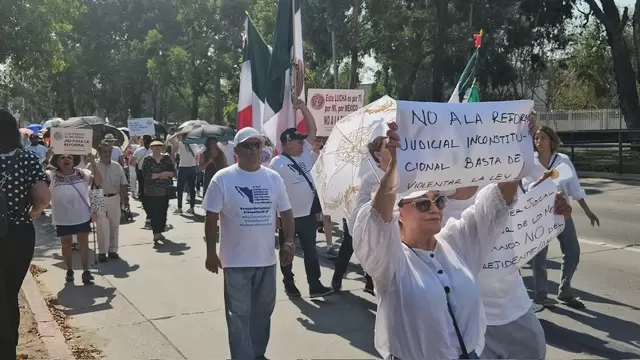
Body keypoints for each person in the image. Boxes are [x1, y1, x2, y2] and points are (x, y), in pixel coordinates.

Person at [353, 121, 521, 360]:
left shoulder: (455, 241)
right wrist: (395, 168)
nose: (434, 208)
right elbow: (377, 222)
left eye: (438, 201)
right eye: (422, 204)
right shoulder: (391, 261)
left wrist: (516, 141)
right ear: (399, 214)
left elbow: (495, 205)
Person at [203, 127, 295, 359]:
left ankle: (257, 353)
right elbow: (211, 216)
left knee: (263, 313)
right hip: (235, 262)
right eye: (248, 145)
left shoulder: (273, 178)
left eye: (258, 145)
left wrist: (289, 243)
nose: (254, 150)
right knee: (238, 315)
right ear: (237, 151)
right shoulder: (223, 178)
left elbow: (286, 213)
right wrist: (210, 253)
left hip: (266, 260)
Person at [444, 184, 555, 360]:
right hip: (468, 326)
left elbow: (526, 223)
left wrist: (551, 209)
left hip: (517, 312)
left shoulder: (502, 183)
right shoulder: (423, 200)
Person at [524, 125, 600, 309]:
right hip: (540, 216)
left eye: (543, 138)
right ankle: (541, 295)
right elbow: (527, 189)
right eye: (536, 138)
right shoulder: (530, 163)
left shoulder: (563, 160)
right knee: (539, 258)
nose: (539, 142)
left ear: (551, 140)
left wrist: (588, 211)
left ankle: (565, 291)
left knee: (572, 252)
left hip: (561, 212)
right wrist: (543, 179)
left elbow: (574, 188)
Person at [269, 99, 333, 298]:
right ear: (287, 142)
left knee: (311, 252)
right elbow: (272, 194)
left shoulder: (305, 152)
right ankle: (289, 283)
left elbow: (313, 128)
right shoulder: (276, 163)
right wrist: (275, 217)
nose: (302, 143)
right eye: (298, 141)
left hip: (307, 216)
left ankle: (314, 285)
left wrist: (303, 108)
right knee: (287, 251)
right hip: (288, 218)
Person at [0, 110, 51, 359]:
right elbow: (43, 198)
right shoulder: (27, 160)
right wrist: (32, 214)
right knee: (10, 293)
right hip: (17, 235)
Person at [331, 136, 389, 295]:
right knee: (348, 248)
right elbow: (362, 203)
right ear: (378, 154)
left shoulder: (396, 171)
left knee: (374, 253)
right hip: (360, 221)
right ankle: (337, 276)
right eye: (388, 146)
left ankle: (370, 283)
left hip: (383, 224)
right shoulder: (371, 175)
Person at [47, 152, 101, 285]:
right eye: (62, 157)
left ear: (74, 161)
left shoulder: (83, 173)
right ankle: (69, 270)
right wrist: (46, 159)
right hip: (62, 217)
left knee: (83, 243)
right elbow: (38, 178)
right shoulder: (52, 175)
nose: (66, 159)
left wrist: (93, 162)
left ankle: (86, 271)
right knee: (66, 243)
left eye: (69, 157)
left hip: (82, 215)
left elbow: (99, 183)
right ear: (57, 162)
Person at [93, 141, 129, 262]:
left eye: (108, 152)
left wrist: (126, 200)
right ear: (99, 152)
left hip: (115, 196)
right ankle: (102, 252)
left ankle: (113, 250)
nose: (106, 154)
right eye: (103, 151)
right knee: (101, 226)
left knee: (115, 224)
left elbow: (123, 183)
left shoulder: (117, 166)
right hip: (97, 196)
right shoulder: (92, 165)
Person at [142, 140, 176, 243]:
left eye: (159, 146)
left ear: (162, 148)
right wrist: (162, 175)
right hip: (150, 191)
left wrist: (162, 174)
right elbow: (146, 175)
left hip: (164, 190)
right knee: (153, 212)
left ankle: (159, 232)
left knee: (162, 211)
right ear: (151, 148)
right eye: (154, 146)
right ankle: (156, 233)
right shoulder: (147, 159)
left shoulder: (166, 158)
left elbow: (173, 173)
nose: (157, 148)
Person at [173, 137, 201, 215]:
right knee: (192, 188)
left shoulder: (181, 143)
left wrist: (177, 134)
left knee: (180, 188)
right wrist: (197, 164)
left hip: (183, 168)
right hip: (192, 167)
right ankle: (192, 208)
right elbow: (198, 155)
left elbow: (170, 141)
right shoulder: (194, 145)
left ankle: (179, 208)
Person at [132, 135, 153, 227]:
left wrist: (138, 164)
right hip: (153, 174)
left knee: (143, 195)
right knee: (151, 194)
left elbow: (131, 162)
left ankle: (148, 215)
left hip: (142, 174)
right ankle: (150, 215)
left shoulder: (138, 151)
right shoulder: (154, 150)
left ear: (143, 141)